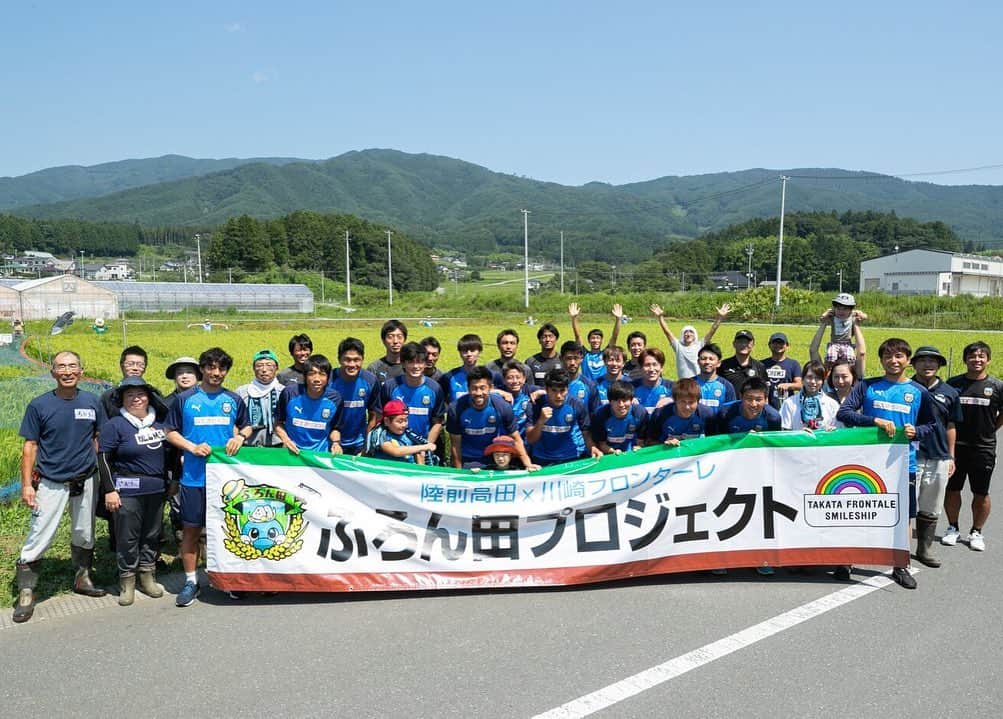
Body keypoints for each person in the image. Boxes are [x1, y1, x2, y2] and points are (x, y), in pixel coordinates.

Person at [12, 351, 107, 623]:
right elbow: (29, 446)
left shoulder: (92, 401)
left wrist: (100, 475)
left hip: (86, 478)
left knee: (85, 532)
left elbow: (98, 438)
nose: (67, 371)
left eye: (73, 366)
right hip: (51, 481)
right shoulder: (39, 405)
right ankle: (27, 592)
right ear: (52, 372)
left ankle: (82, 578)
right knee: (40, 534)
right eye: (61, 367)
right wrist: (27, 485)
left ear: (81, 370)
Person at [837, 338, 936, 589]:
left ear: (908, 360)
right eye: (889, 357)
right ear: (881, 360)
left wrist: (918, 431)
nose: (894, 361)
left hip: (904, 464)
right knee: (859, 510)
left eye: (900, 356)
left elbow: (932, 425)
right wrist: (873, 421)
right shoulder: (867, 386)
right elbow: (844, 412)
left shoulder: (919, 392)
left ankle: (900, 564)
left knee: (903, 516)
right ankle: (848, 559)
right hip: (867, 463)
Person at [165, 347, 251, 607]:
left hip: (226, 481)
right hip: (193, 478)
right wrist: (191, 447)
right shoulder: (185, 399)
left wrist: (239, 437)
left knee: (226, 531)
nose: (216, 373)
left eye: (222, 369)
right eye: (211, 368)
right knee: (191, 531)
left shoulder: (233, 399)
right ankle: (191, 581)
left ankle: (228, 579)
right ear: (202, 369)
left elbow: (246, 425)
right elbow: (169, 431)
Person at [98, 376, 171, 606]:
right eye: (130, 395)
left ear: (148, 397)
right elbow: (104, 459)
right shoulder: (115, 425)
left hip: (156, 489)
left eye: (140, 394)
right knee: (127, 536)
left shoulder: (159, 425)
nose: (136, 399)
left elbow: (170, 457)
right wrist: (110, 490)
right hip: (126, 490)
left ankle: (148, 577)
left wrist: (173, 481)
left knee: (151, 534)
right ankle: (127, 581)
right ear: (122, 400)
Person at [943, 341, 1003, 552]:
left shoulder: (997, 386)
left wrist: (990, 430)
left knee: (981, 492)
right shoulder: (953, 384)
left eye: (981, 356)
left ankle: (976, 531)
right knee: (952, 489)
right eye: (972, 356)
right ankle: (952, 527)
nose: (976, 360)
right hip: (956, 447)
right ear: (965, 359)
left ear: (988, 359)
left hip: (983, 448)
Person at [908, 346, 961, 566]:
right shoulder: (905, 388)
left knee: (931, 506)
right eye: (922, 361)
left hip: (939, 456)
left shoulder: (950, 392)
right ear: (913, 364)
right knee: (907, 506)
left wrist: (951, 456)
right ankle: (901, 552)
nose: (927, 365)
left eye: (932, 361)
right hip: (911, 456)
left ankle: (924, 549)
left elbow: (951, 425)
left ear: (939, 365)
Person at [446, 366, 534, 469]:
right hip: (468, 459)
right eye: (474, 388)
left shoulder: (502, 407)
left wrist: (528, 464)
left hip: (494, 458)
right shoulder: (456, 409)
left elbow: (516, 438)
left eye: (483, 388)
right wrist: (459, 471)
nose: (479, 393)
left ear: (491, 388)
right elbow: (455, 445)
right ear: (468, 388)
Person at [375, 342, 446, 451]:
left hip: (422, 448)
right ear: (403, 364)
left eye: (420, 362)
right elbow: (380, 417)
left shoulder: (435, 388)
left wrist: (425, 447)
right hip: (395, 448)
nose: (416, 367)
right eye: (411, 362)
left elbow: (437, 422)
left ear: (425, 364)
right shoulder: (390, 386)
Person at [525, 368, 603, 466]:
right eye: (554, 390)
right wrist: (541, 421)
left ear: (568, 389)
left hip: (570, 457)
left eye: (562, 391)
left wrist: (592, 447)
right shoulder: (535, 405)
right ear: (546, 389)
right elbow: (531, 439)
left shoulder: (577, 405)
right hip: (542, 458)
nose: (558, 395)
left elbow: (586, 433)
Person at [274, 354, 344, 454]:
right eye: (312, 374)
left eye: (322, 374)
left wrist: (336, 443)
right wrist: (286, 440)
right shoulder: (289, 393)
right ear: (304, 376)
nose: (317, 379)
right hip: (292, 453)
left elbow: (335, 428)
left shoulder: (335, 399)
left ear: (328, 378)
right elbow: (278, 424)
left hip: (320, 456)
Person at [650, 302, 730, 379]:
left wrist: (719, 317)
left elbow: (712, 330)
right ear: (682, 335)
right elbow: (667, 332)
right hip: (683, 383)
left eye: (691, 332)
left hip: (699, 382)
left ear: (695, 335)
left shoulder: (700, 345)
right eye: (685, 332)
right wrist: (660, 317)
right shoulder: (678, 346)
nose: (688, 334)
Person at [329, 338, 380, 456]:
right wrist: (334, 442)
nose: (352, 364)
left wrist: (366, 446)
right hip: (331, 443)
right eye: (347, 360)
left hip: (359, 444)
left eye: (356, 360)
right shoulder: (329, 380)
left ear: (363, 359)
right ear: (339, 359)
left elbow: (374, 415)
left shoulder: (370, 381)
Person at [236, 349, 284, 447]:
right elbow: (236, 421)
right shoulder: (242, 392)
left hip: (277, 446)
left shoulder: (284, 392)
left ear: (277, 368)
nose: (264, 369)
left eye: (269, 365)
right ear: (253, 368)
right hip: (248, 446)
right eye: (259, 365)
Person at [648, 378, 716, 445]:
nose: (687, 407)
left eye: (691, 402)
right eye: (682, 402)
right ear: (675, 400)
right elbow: (649, 442)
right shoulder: (660, 414)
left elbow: (715, 440)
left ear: (698, 401)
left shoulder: (706, 414)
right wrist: (664, 444)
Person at [366, 399, 436, 464]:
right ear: (386, 421)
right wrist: (424, 447)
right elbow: (395, 451)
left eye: (406, 420)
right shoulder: (380, 434)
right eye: (400, 421)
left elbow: (419, 456)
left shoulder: (410, 435)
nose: (404, 425)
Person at [569, 302, 623, 382]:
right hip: (588, 388)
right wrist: (574, 318)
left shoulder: (605, 354)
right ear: (589, 341)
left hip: (602, 387)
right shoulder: (584, 354)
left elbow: (614, 336)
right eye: (593, 338)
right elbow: (577, 336)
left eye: (598, 338)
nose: (595, 340)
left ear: (601, 341)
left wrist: (618, 319)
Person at [780, 361, 840, 431]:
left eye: (818, 378)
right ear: (803, 379)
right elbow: (785, 432)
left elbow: (837, 431)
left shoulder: (832, 404)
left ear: (823, 381)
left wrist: (830, 431)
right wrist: (801, 434)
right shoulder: (789, 403)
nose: (813, 382)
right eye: (809, 377)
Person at [591, 381, 648, 454]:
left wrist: (639, 447)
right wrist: (613, 451)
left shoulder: (640, 413)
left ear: (631, 400)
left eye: (624, 400)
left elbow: (641, 441)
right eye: (617, 401)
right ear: (610, 401)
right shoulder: (600, 415)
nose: (621, 405)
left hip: (632, 453)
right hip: (610, 454)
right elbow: (602, 444)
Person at [717, 378, 782, 434]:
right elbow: (720, 442)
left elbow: (773, 444)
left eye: (758, 400)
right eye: (749, 399)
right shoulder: (725, 413)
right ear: (741, 397)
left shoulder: (773, 418)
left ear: (766, 400)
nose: (753, 404)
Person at [500, 359, 542, 439]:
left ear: (524, 378)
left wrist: (540, 392)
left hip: (526, 441)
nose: (515, 381)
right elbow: (484, 391)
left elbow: (552, 391)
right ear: (504, 380)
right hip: (506, 442)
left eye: (518, 377)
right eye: (510, 378)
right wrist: (499, 392)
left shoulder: (529, 390)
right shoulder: (499, 394)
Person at [719, 329, 768, 397]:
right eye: (740, 342)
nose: (744, 345)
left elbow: (764, 392)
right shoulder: (723, 365)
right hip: (730, 406)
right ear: (734, 344)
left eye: (747, 342)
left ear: (753, 345)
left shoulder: (759, 366)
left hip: (752, 406)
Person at [821, 293, 867, 363]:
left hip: (847, 343)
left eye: (845, 309)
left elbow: (865, 316)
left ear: (851, 310)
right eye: (838, 309)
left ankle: (849, 372)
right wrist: (826, 313)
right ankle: (828, 371)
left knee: (850, 360)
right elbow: (822, 318)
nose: (841, 311)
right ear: (834, 308)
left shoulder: (852, 315)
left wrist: (861, 315)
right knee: (830, 358)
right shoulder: (833, 315)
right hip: (834, 343)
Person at [762, 332, 802, 409]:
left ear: (787, 346)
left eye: (781, 343)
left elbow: (799, 385)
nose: (778, 345)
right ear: (769, 345)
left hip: (787, 406)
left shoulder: (793, 364)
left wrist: (787, 385)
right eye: (775, 343)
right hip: (766, 406)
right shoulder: (761, 364)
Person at [631, 347, 674, 415]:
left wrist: (672, 400)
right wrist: (627, 400)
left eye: (655, 364)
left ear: (661, 367)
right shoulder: (630, 388)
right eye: (647, 365)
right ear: (640, 368)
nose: (651, 369)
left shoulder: (672, 387)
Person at [695, 343, 736, 412]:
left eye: (711, 359)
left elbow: (731, 411)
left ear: (718, 363)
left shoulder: (727, 386)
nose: (707, 362)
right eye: (703, 359)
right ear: (698, 362)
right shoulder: (690, 384)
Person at [561, 340, 598, 410]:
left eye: (576, 358)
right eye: (568, 358)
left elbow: (595, 414)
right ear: (561, 359)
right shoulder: (553, 384)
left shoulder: (590, 386)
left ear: (581, 359)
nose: (572, 363)